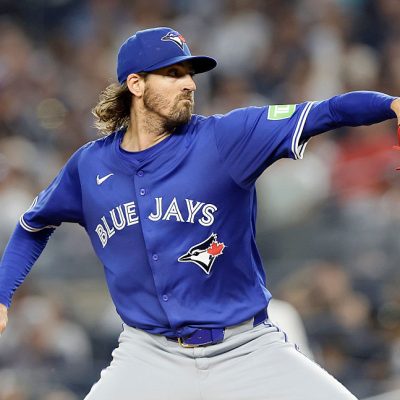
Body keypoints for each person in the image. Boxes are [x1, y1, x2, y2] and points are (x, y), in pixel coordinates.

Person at [0, 27, 399, 400]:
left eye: (190, 73)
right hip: (147, 354)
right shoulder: (89, 167)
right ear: (136, 84)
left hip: (246, 349)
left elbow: (326, 111)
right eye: (172, 73)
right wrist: (2, 294)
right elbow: (32, 226)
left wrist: (391, 105)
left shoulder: (228, 137)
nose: (189, 83)